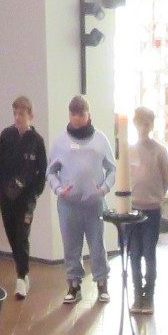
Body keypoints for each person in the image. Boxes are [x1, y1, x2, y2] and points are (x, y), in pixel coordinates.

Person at [46, 96, 113, 306]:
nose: (77, 119)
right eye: (73, 115)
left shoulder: (100, 140)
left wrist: (104, 189)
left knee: (97, 245)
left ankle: (102, 283)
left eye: (81, 115)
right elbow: (50, 172)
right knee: (71, 246)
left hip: (94, 204)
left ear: (88, 115)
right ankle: (74, 285)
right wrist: (58, 189)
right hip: (69, 205)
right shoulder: (60, 142)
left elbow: (112, 169)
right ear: (69, 115)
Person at [0, 96, 45, 300]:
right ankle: (22, 269)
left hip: (26, 199)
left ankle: (21, 275)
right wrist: (0, 189)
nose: (18, 117)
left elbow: (41, 171)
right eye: (15, 113)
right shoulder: (6, 136)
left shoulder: (37, 141)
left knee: (22, 234)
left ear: (30, 115)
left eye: (22, 114)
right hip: (7, 197)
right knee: (12, 235)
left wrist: (34, 193)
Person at [124, 106, 168, 313]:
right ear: (134, 125)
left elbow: (167, 180)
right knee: (134, 253)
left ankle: (149, 296)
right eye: (139, 123)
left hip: (151, 210)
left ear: (151, 125)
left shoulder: (159, 151)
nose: (143, 127)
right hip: (134, 209)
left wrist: (156, 196)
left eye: (147, 123)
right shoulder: (130, 150)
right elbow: (125, 178)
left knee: (149, 253)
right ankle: (137, 296)